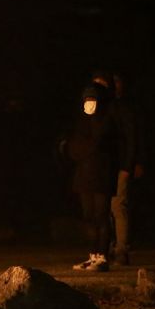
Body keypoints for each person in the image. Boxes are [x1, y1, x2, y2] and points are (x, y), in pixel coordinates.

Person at [65, 84, 120, 271]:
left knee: (101, 216)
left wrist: (88, 148)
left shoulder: (106, 121)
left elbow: (103, 145)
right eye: (87, 100)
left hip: (102, 176)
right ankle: (92, 255)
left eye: (93, 99)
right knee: (89, 216)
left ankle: (102, 256)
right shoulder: (81, 122)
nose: (89, 104)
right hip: (84, 176)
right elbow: (73, 148)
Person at [91, 70, 141, 265]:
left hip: (119, 164)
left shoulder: (123, 107)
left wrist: (130, 163)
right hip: (106, 166)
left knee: (118, 206)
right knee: (105, 209)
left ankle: (121, 249)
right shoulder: (102, 108)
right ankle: (108, 246)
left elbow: (131, 137)